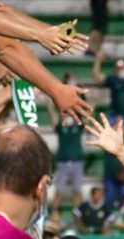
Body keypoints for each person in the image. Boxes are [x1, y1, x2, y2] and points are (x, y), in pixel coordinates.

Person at [50, 72, 86, 213]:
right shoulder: (60, 127)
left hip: (77, 161)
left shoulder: (78, 125)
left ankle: (78, 215)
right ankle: (54, 214)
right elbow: (55, 114)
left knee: (77, 191)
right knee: (59, 191)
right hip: (63, 162)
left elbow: (84, 113)